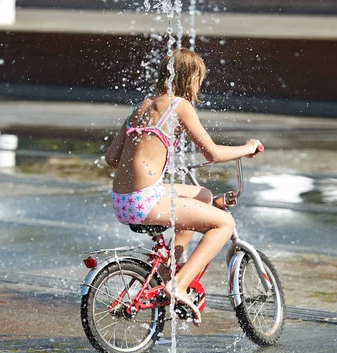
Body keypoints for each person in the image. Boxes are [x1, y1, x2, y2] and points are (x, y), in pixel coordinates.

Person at [105, 48, 262, 325]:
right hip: (145, 201)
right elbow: (211, 154)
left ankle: (170, 268)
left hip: (122, 200)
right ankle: (177, 285)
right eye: (199, 78)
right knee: (223, 224)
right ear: (190, 79)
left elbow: (111, 158)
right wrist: (246, 149)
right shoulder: (180, 106)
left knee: (202, 195)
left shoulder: (140, 106)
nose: (200, 85)